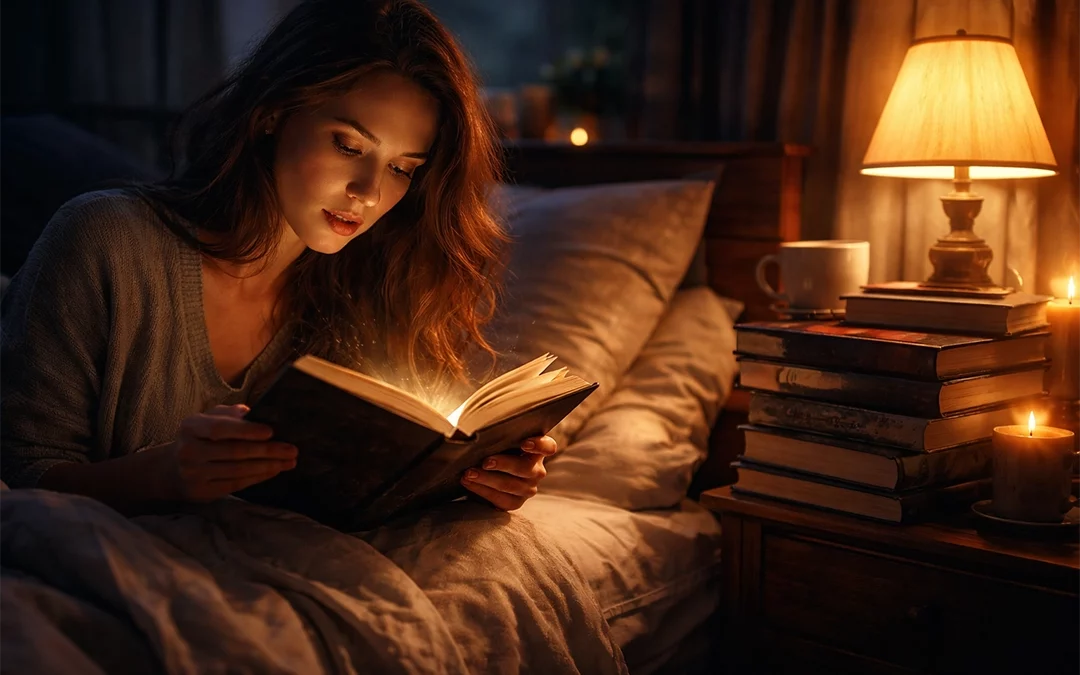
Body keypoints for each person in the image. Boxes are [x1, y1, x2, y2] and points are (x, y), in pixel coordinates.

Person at [0, 0, 556, 517]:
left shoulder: (368, 292)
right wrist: (162, 475)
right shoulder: (107, 240)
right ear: (271, 115)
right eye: (349, 146)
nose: (367, 192)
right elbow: (22, 477)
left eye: (402, 168)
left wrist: (475, 482)